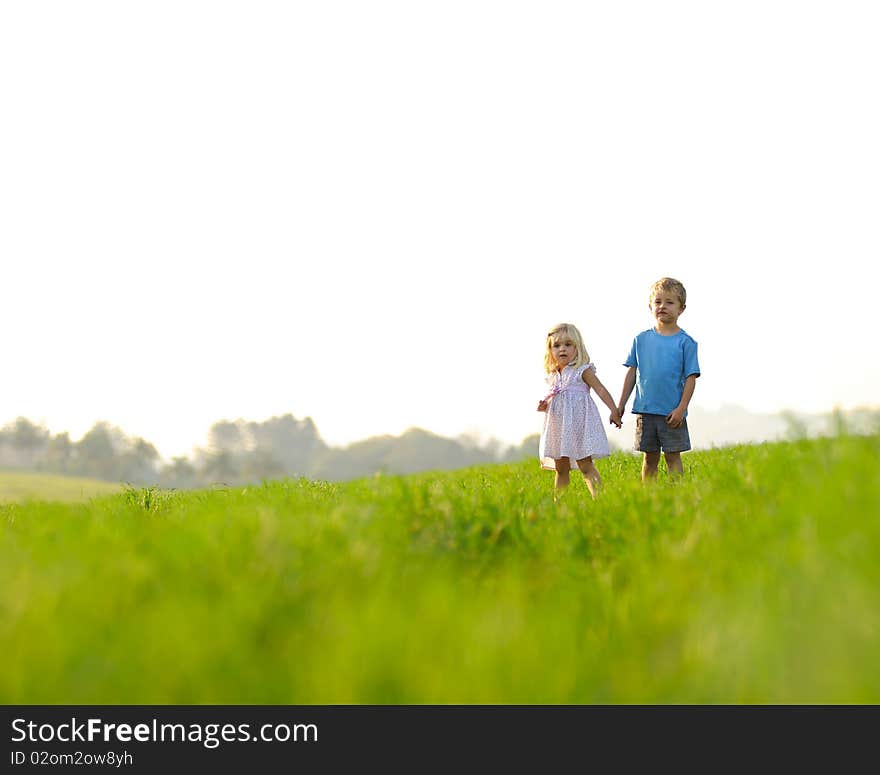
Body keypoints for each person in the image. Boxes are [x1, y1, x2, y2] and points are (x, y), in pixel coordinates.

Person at [616, 277, 700, 480]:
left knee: (673, 457)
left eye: (669, 302)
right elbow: (631, 374)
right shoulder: (640, 340)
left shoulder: (686, 343)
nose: (662, 306)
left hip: (672, 413)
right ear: (650, 306)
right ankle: (649, 498)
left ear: (681, 308)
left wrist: (681, 409)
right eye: (658, 302)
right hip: (645, 411)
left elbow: (691, 378)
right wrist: (620, 406)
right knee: (649, 459)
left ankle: (677, 495)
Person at [537, 323, 622, 497]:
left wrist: (613, 410)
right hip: (559, 427)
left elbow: (600, 389)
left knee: (585, 465)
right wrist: (545, 406)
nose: (562, 349)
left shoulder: (581, 371)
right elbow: (556, 400)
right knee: (561, 467)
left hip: (578, 425)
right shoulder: (553, 375)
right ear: (550, 350)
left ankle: (601, 499)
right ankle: (559, 504)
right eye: (557, 346)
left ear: (577, 348)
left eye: (568, 345)